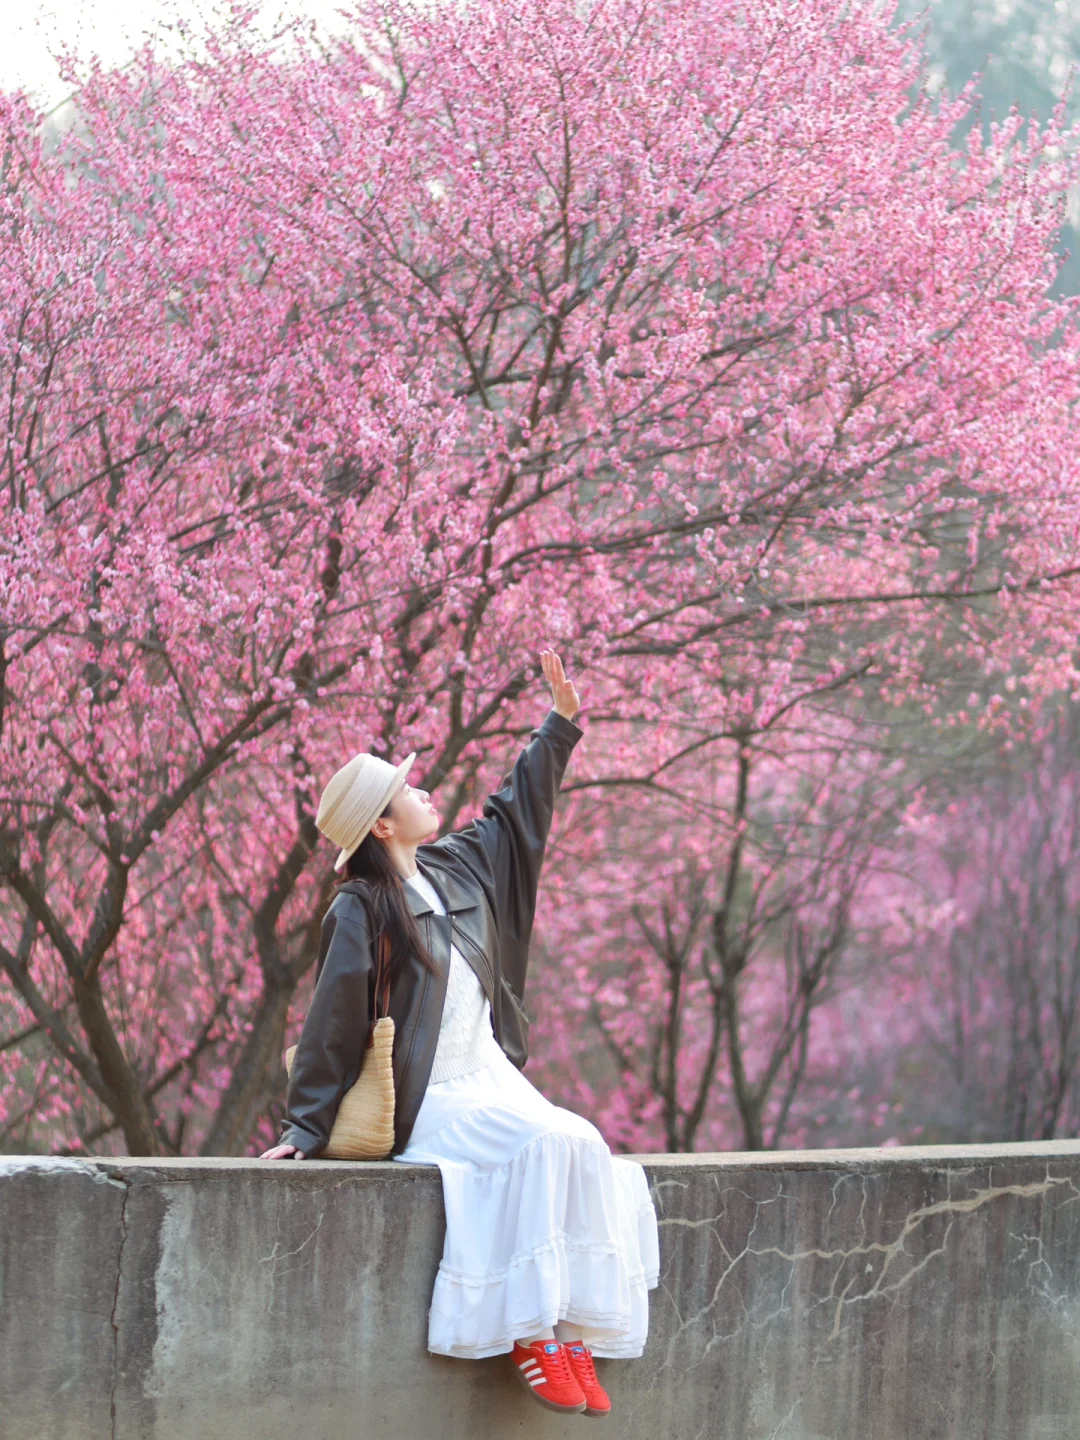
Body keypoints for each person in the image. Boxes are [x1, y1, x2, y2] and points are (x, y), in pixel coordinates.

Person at [261, 649, 659, 1418]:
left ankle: (570, 1331)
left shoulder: (457, 868)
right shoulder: (362, 907)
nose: (424, 790)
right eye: (407, 789)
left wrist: (558, 726)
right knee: (543, 1144)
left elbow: (515, 815)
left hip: (491, 1078)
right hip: (431, 1096)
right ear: (382, 824)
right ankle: (529, 1334)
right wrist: (305, 1126)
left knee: (582, 1142)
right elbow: (333, 1016)